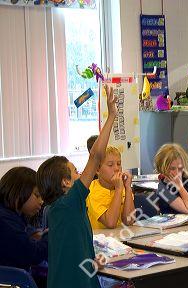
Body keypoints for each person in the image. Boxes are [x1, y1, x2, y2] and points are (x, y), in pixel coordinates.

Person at [36, 85, 117, 288]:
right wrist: (111, 116)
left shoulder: (58, 209)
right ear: (65, 182)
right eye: (74, 171)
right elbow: (96, 156)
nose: (80, 174)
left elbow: (71, 249)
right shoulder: (69, 203)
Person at [0, 167, 47, 271]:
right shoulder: (4, 221)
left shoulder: (12, 215)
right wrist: (49, 236)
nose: (41, 201)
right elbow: (34, 255)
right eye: (37, 195)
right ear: (19, 191)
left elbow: (25, 230)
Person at [86, 145, 135, 229]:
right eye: (110, 165)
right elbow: (110, 223)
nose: (116, 168)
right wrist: (119, 189)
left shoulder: (123, 187)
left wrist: (128, 188)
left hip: (120, 237)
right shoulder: (92, 190)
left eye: (119, 164)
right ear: (97, 170)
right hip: (100, 240)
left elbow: (129, 220)